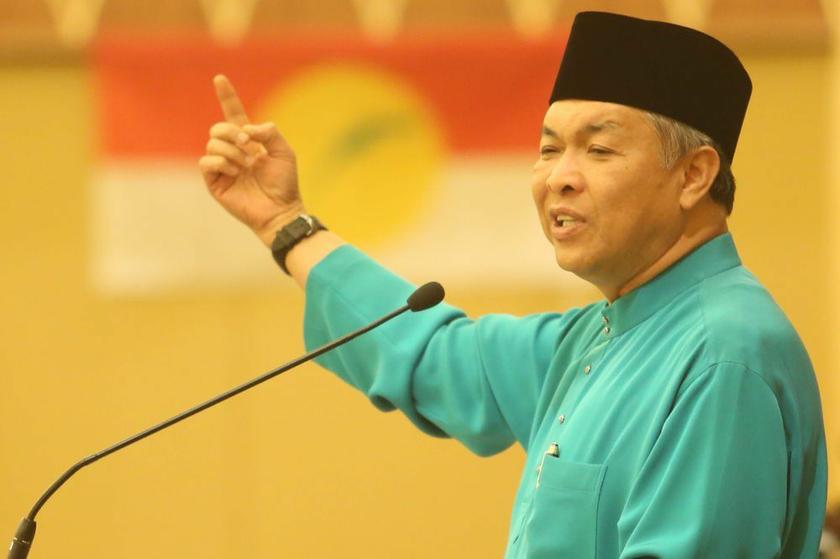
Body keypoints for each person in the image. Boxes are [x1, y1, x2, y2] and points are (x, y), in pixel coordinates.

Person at [198, 11, 826, 558]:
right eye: (549, 149)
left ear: (693, 175)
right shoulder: (596, 337)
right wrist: (285, 224)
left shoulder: (723, 356)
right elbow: (432, 355)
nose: (560, 178)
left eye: (598, 151)